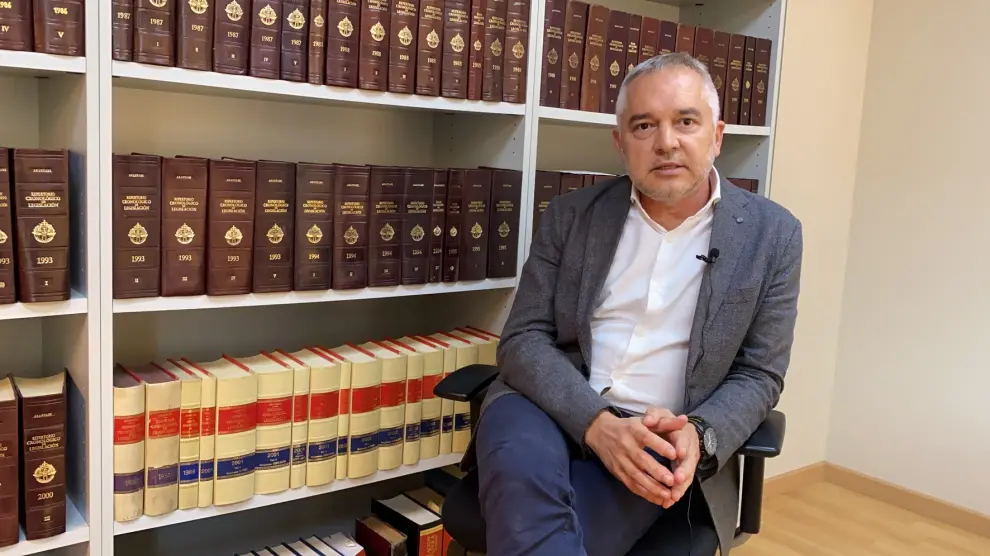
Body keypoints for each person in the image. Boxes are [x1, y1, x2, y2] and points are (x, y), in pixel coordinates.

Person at [467, 52, 803, 556]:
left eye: (686, 121)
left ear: (717, 135)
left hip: (660, 432)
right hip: (544, 406)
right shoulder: (570, 216)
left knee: (545, 532)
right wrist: (596, 423)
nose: (666, 142)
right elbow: (522, 339)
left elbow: (760, 373)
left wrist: (700, 435)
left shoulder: (773, 235)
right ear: (620, 143)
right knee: (525, 481)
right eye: (644, 125)